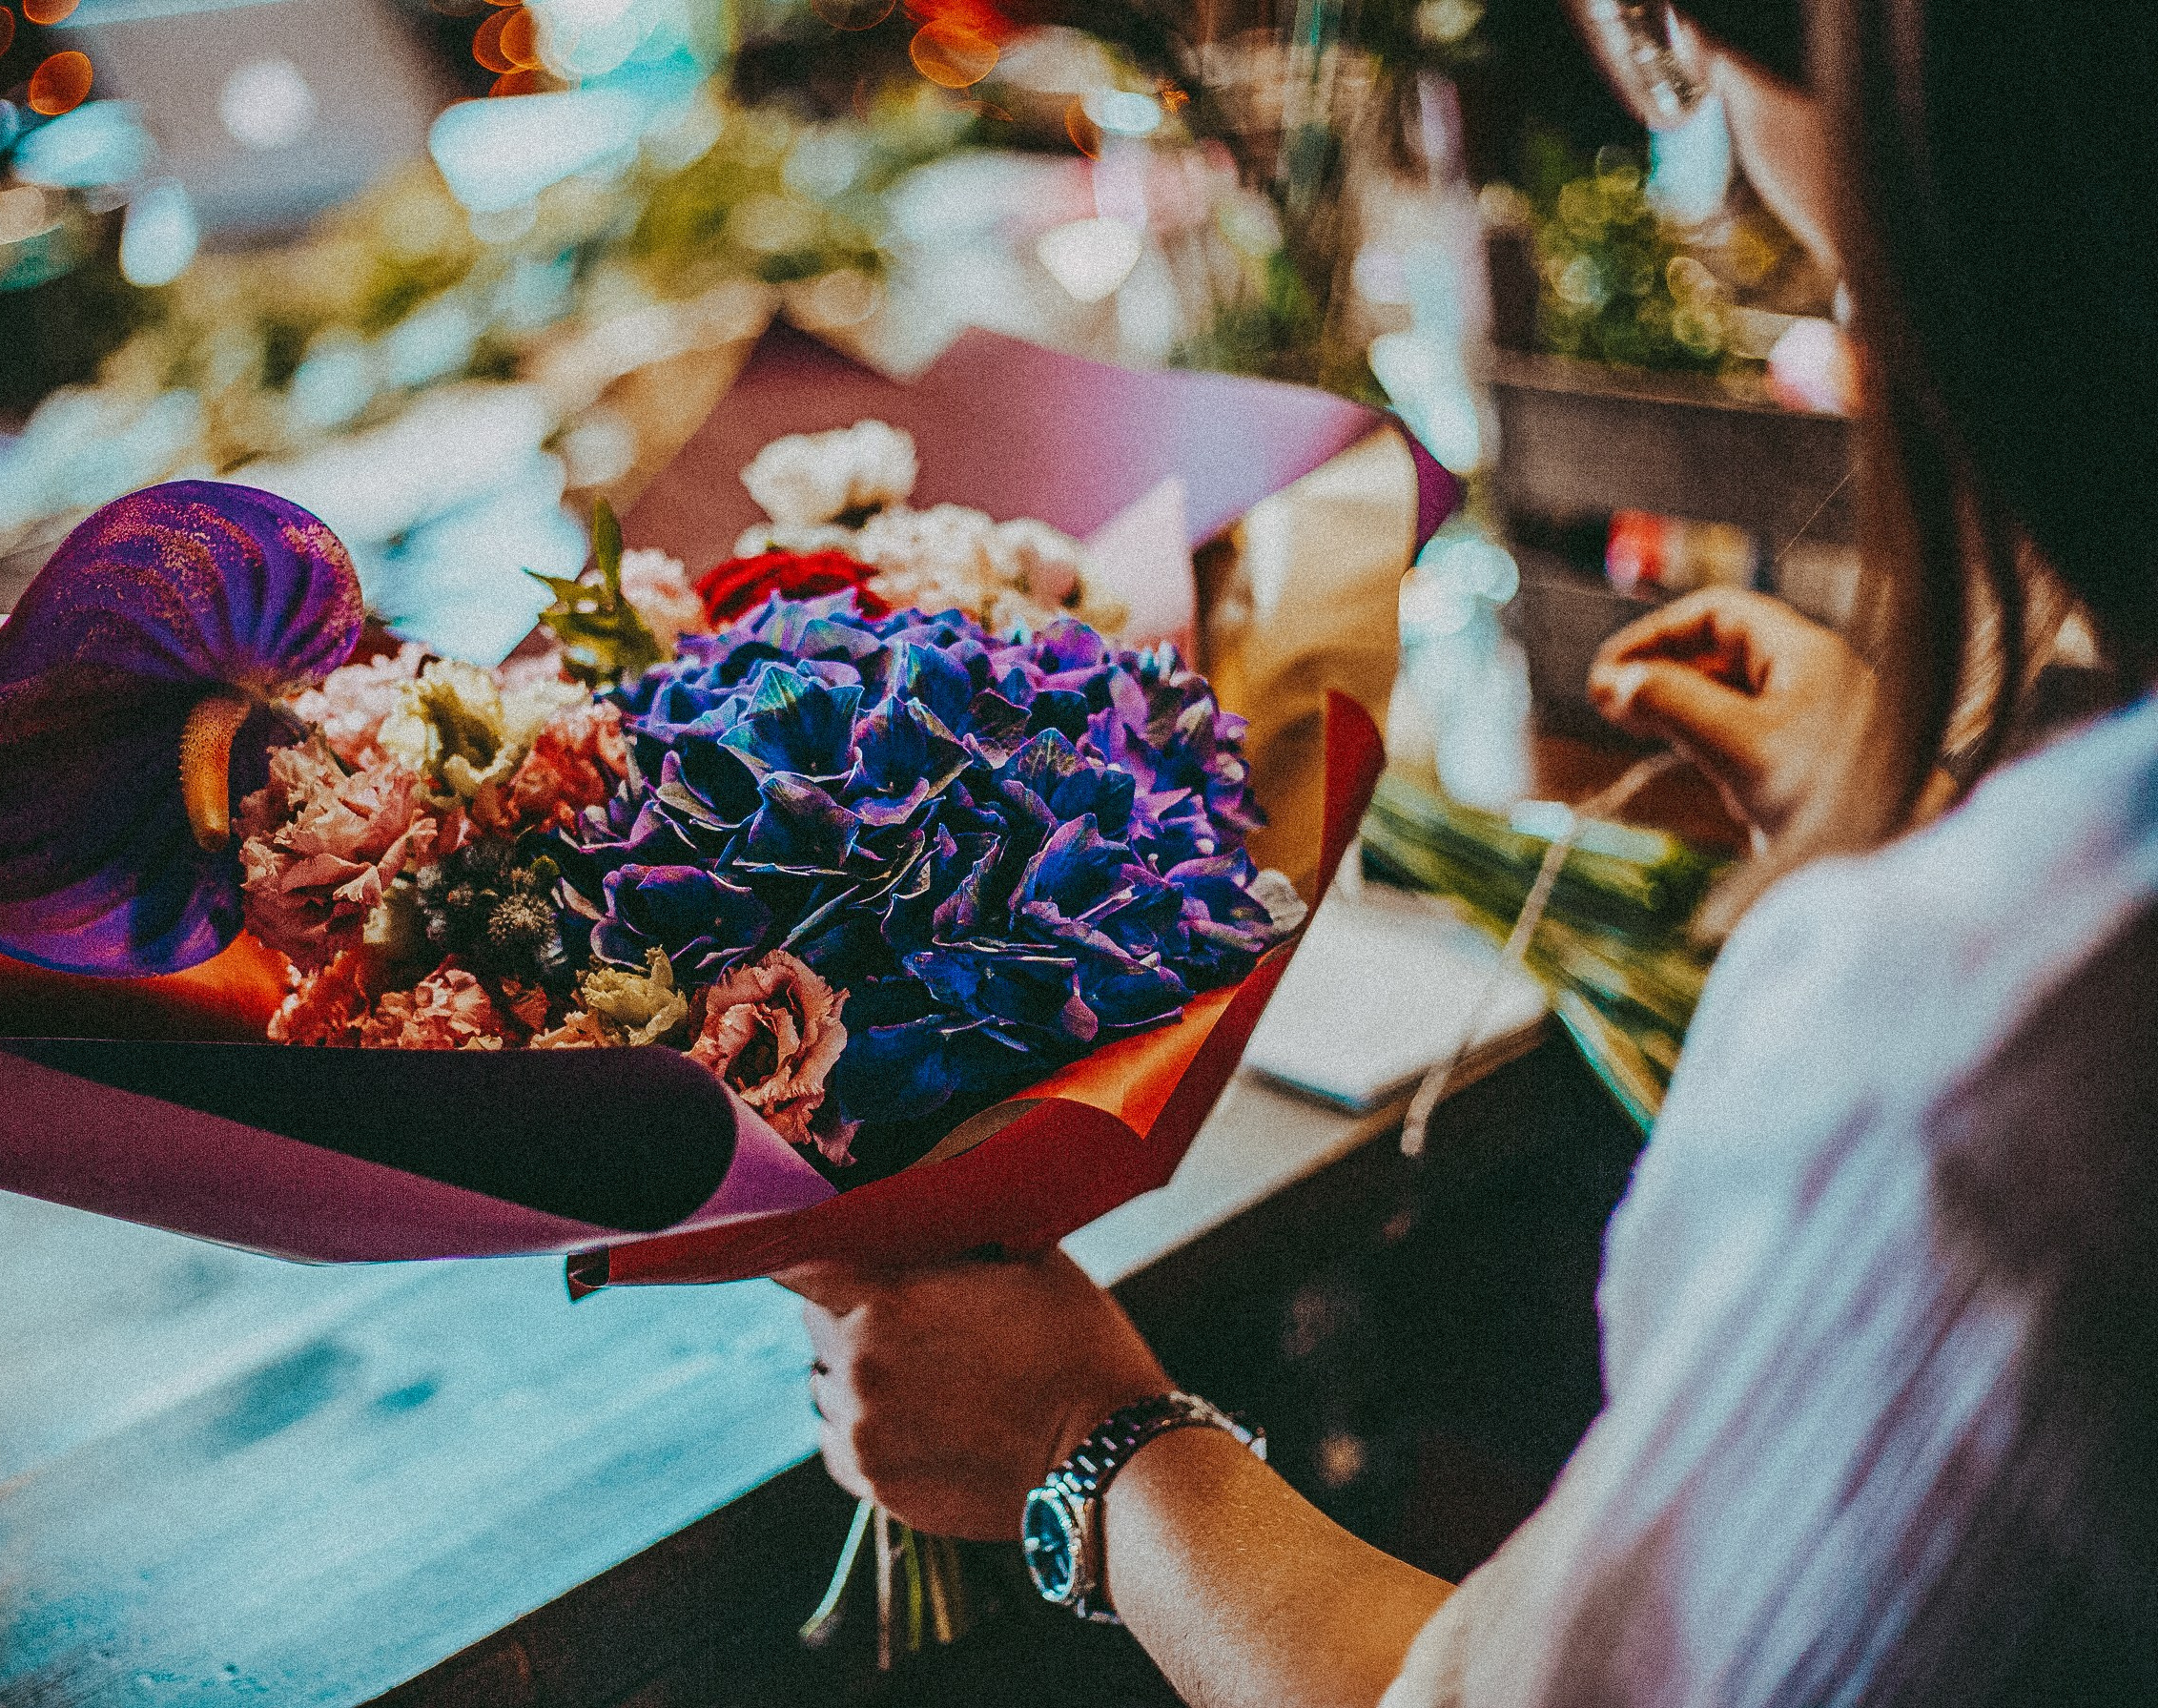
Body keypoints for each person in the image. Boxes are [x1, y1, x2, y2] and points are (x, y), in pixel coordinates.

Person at [784, 2, 2158, 1702]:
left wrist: (1092, 1446)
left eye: (1687, 52)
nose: (1722, 171)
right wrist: (1890, 813)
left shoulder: (1969, 1075)